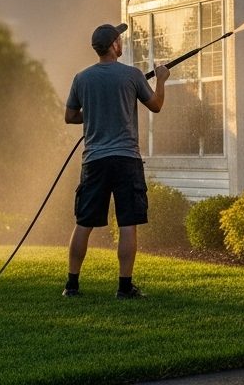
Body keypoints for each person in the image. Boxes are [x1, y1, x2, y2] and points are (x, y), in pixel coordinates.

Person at [62, 22, 168, 299]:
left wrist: (96, 111)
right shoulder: (132, 75)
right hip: (125, 160)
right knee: (127, 223)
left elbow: (71, 116)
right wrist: (162, 79)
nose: (121, 43)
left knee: (83, 222)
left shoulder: (81, 78)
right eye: (119, 39)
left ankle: (71, 286)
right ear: (114, 46)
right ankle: (124, 287)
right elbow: (156, 105)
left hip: (94, 161)